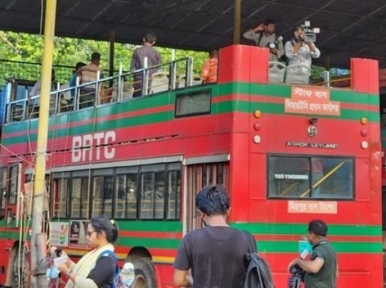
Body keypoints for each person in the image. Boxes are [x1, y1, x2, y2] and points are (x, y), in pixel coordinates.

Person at [173, 185, 256, 287]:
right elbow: (253, 276)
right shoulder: (246, 239)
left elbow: (178, 280)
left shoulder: (190, 239)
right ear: (228, 211)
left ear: (201, 213)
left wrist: (194, 282)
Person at [51, 216, 119, 288]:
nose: (87, 237)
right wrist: (65, 259)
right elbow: (79, 272)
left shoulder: (107, 258)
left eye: (89, 234)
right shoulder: (95, 252)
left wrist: (67, 271)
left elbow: (91, 285)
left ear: (101, 235)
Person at [288, 220, 338, 288]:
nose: (307, 237)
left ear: (312, 236)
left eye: (308, 234)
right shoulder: (330, 249)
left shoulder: (320, 249)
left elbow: (314, 267)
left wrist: (298, 261)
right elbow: (336, 273)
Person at [130, 32, 162, 97]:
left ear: (144, 39)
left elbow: (132, 69)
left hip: (138, 83)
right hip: (152, 83)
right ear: (154, 42)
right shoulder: (157, 53)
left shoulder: (137, 51)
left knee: (137, 102)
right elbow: (159, 70)